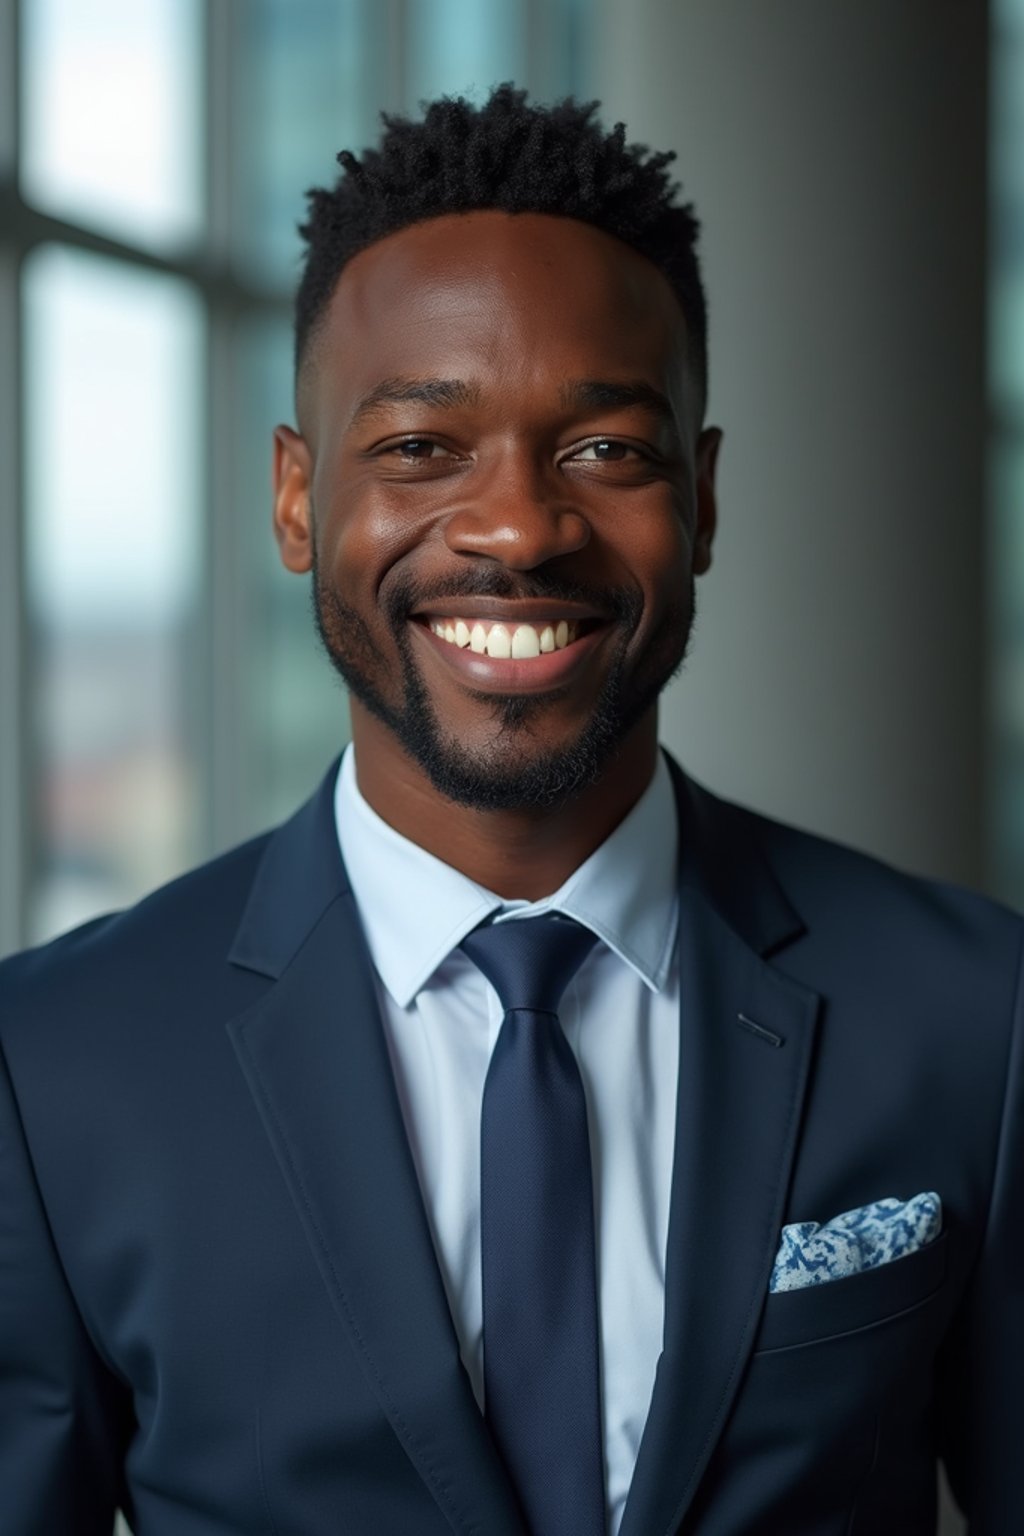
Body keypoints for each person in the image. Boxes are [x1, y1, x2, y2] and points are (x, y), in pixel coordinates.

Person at [0, 84, 1020, 1536]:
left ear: (705, 499)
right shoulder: (53, 1070)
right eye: (422, 447)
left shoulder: (975, 1020)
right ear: (297, 498)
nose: (521, 526)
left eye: (606, 450)